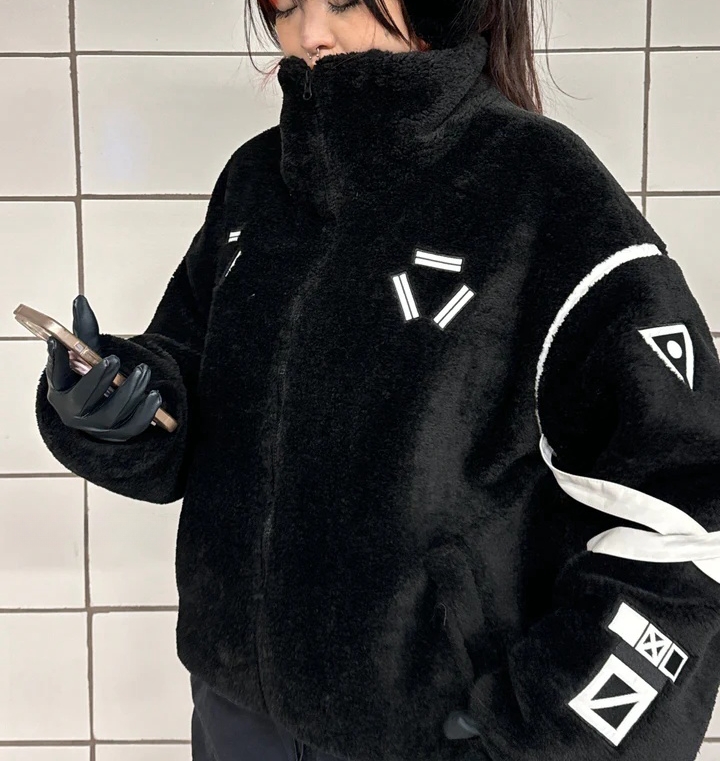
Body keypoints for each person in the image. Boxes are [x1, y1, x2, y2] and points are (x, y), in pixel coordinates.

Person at [35, 0, 720, 759]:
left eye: (344, 1)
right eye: (286, 5)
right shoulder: (256, 180)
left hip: (431, 731)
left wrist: (544, 732)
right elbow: (197, 389)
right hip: (234, 712)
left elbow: (686, 515)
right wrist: (120, 409)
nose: (309, 33)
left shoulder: (544, 190)